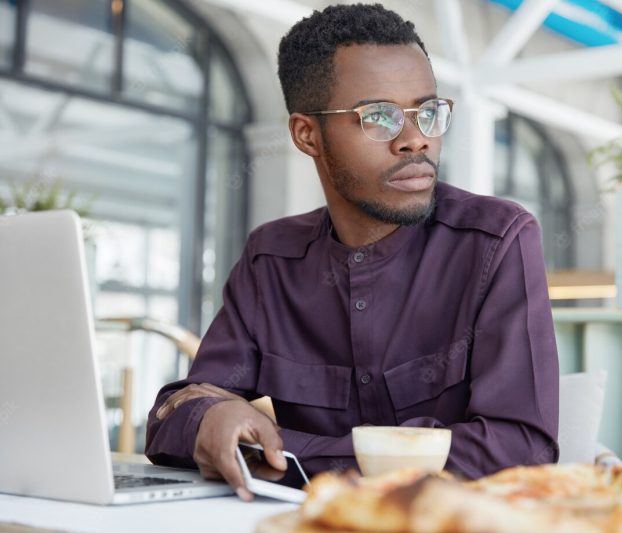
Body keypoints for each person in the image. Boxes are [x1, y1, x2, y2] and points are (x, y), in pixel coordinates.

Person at [145, 3, 559, 501]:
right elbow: (176, 411)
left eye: (428, 112)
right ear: (307, 134)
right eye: (379, 117)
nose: (415, 140)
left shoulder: (496, 240)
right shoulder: (271, 260)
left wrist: (286, 456)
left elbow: (521, 447)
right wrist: (213, 416)